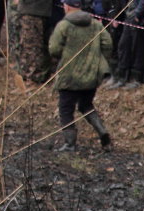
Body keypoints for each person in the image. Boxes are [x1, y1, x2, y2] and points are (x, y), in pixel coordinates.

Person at [48, 0, 113, 151]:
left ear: (68, 6)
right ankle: (103, 132)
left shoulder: (63, 25)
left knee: (65, 108)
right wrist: (98, 61)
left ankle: (70, 143)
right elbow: (108, 44)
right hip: (91, 75)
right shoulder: (95, 24)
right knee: (86, 105)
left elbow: (54, 49)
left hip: (69, 76)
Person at [12, 0, 53, 85]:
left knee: (32, 47)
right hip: (31, 9)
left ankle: (34, 79)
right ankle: (28, 77)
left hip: (33, 10)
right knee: (26, 46)